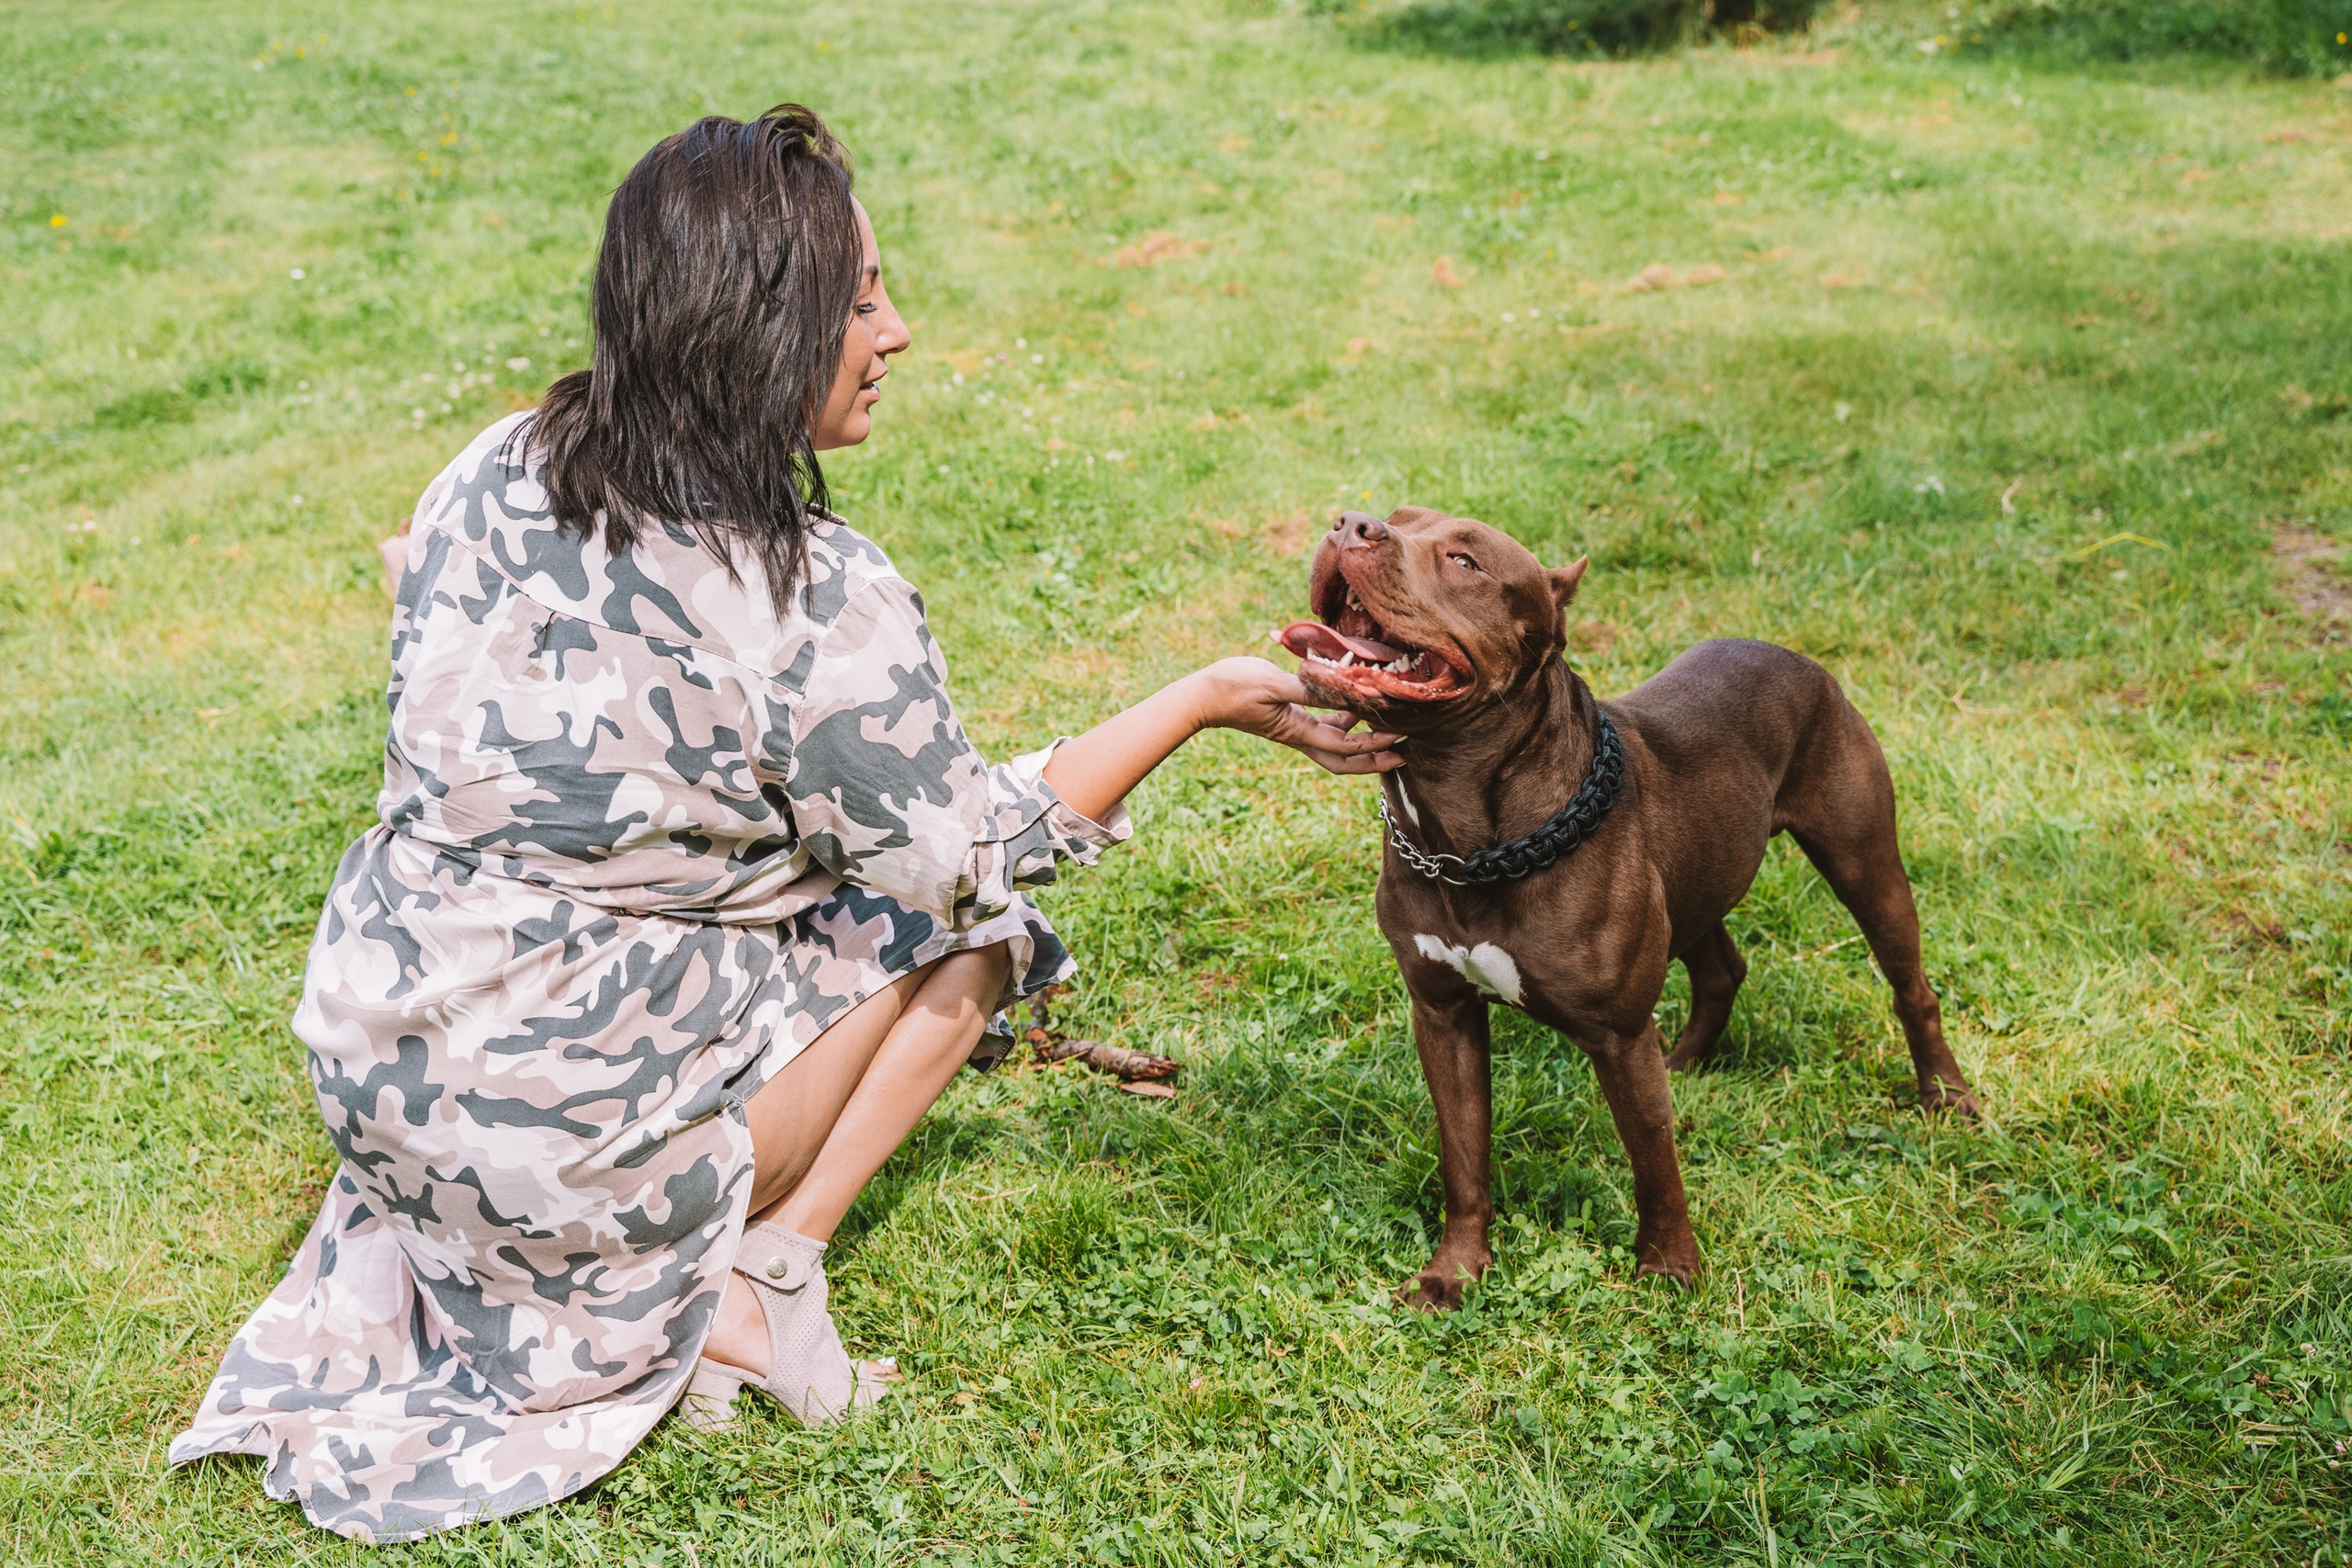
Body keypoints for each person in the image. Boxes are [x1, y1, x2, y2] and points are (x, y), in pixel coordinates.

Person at [170, 104, 1399, 1542]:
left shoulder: (496, 462)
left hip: (382, 1059)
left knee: (803, 890)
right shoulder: (816, 595)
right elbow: (970, 861)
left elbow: (413, 596)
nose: (898, 330)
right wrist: (1200, 699)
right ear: (762, 327)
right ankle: (763, 1280)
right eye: (861, 298)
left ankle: (571, 1236)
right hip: (565, 1159)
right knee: (982, 934)